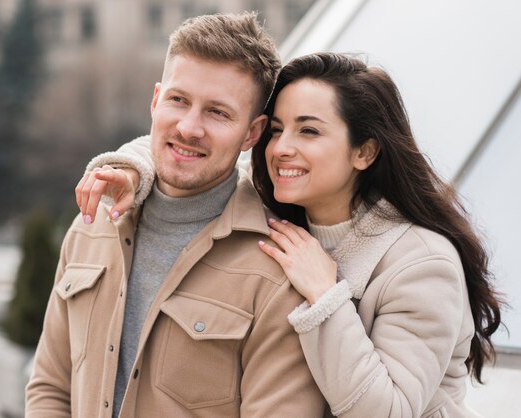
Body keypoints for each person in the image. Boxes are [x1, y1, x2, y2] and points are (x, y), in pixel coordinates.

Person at [76, 53, 503, 417]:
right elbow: (192, 156)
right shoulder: (277, 207)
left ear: (365, 151)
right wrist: (133, 169)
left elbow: (386, 410)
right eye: (277, 129)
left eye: (309, 130)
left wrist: (326, 295)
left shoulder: (421, 263)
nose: (281, 148)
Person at [26, 12, 324, 418]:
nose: (189, 127)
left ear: (252, 133)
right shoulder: (92, 226)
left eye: (217, 112)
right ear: (155, 101)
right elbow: (49, 387)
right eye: (178, 100)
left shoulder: (277, 267)